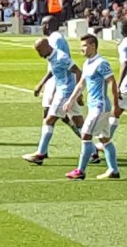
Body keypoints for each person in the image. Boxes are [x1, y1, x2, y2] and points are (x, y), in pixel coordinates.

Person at [62, 34, 121, 180]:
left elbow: (112, 82)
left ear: (93, 46)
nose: (81, 49)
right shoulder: (87, 63)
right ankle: (113, 170)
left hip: (99, 107)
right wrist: (70, 100)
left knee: (86, 135)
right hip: (95, 106)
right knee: (105, 139)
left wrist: (116, 104)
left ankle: (80, 170)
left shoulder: (101, 63)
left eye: (84, 45)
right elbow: (81, 84)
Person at [34, 15, 95, 154]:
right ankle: (92, 150)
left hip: (60, 84)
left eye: (43, 24)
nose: (41, 27)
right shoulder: (56, 39)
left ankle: (41, 152)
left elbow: (62, 64)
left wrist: (42, 84)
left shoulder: (55, 39)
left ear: (48, 25)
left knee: (49, 117)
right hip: (62, 83)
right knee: (75, 120)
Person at [22, 36, 82, 165]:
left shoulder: (61, 57)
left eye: (39, 51)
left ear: (46, 47)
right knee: (79, 123)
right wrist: (40, 84)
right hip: (67, 92)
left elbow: (78, 71)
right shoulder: (52, 57)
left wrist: (79, 93)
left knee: (49, 120)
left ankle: (40, 153)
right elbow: (53, 72)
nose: (38, 54)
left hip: (66, 92)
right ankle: (93, 151)